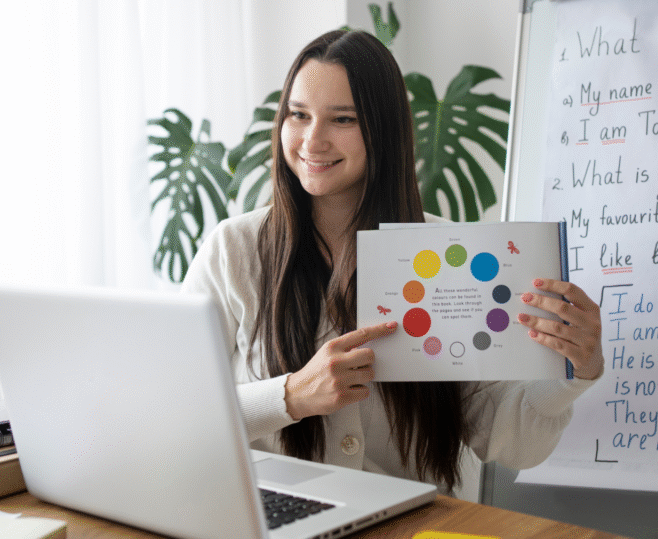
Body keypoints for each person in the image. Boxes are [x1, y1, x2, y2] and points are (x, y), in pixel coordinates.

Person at [181, 29, 603, 494]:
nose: (312, 140)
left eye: (342, 119)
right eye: (298, 115)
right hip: (279, 519)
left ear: (382, 130)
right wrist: (291, 396)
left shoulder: (444, 254)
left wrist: (574, 370)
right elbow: (176, 415)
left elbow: (513, 443)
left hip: (409, 523)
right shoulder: (233, 251)